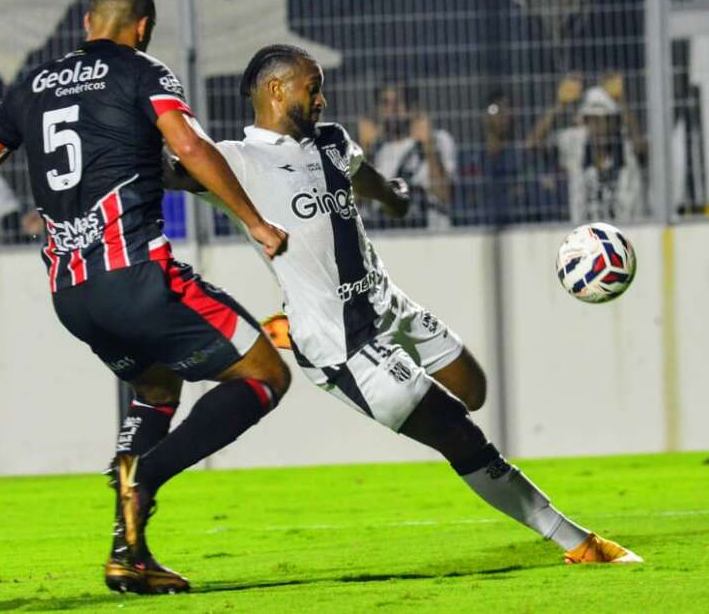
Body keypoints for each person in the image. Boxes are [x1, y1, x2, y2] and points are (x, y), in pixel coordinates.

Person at [165, 44, 642, 566]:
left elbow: (359, 174)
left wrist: (390, 195)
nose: (322, 99)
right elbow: (172, 169)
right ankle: (577, 541)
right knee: (458, 431)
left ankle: (297, 321)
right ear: (276, 89)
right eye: (312, 87)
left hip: (389, 305)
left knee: (474, 388)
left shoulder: (331, 141)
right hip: (342, 344)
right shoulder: (236, 160)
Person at [0, 0, 292, 596]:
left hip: (73, 297)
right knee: (266, 375)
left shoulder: (30, 88)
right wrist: (256, 222)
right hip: (139, 278)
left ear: (86, 23)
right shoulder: (143, 72)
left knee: (155, 386)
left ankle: (127, 554)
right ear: (144, 27)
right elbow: (188, 145)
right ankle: (146, 478)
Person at [527, 73, 647, 223]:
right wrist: (559, 106)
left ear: (615, 122)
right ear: (585, 122)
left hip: (628, 235)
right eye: (593, 120)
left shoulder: (624, 145)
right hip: (585, 238)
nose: (600, 127)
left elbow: (641, 148)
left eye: (606, 120)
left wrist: (621, 101)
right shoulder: (575, 143)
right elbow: (532, 143)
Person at [454, 90, 565, 226]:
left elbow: (537, 198)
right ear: (484, 116)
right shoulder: (470, 158)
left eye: (507, 110)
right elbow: (463, 204)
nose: (502, 115)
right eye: (496, 109)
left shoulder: (521, 156)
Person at [357, 81, 457, 229]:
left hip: (434, 239)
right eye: (385, 103)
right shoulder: (376, 150)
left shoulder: (439, 139)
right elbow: (356, 202)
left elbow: (445, 195)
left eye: (398, 102)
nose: (392, 110)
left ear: (413, 107)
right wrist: (364, 150)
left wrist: (428, 146)